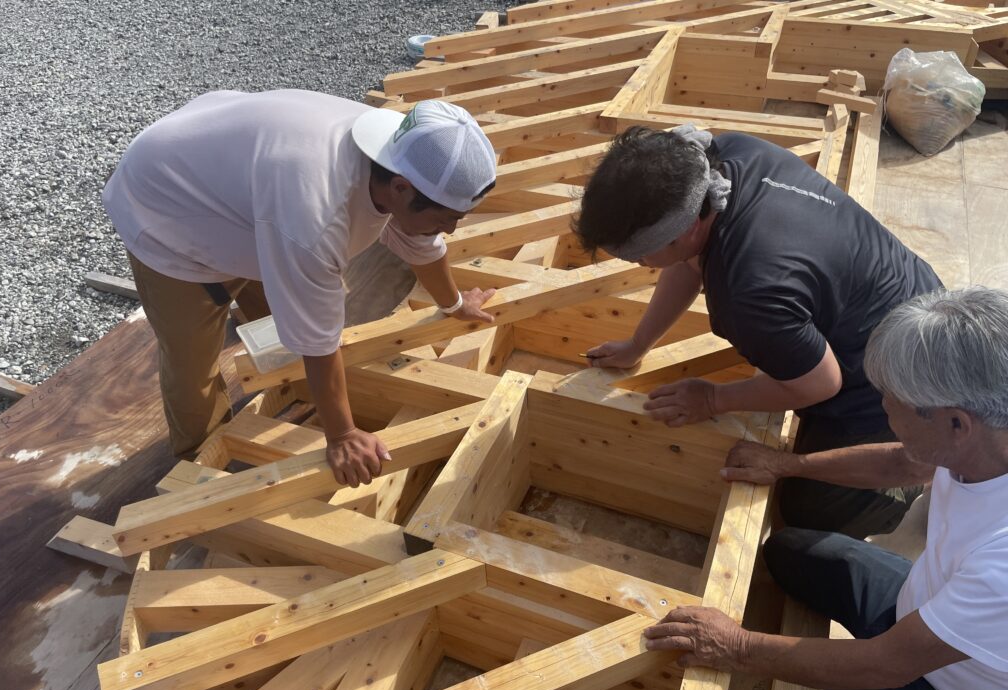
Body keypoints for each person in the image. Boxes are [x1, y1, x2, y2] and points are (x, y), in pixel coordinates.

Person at [646, 287, 1008, 690]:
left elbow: (889, 664)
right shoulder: (980, 441)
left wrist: (736, 645)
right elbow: (901, 463)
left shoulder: (1000, 569)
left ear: (957, 424)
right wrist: (787, 465)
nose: (884, 409)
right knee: (787, 551)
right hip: (926, 605)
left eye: (893, 402)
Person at [103, 91, 499, 486]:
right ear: (400, 188)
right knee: (192, 361)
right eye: (446, 218)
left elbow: (420, 241)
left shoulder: (405, 154)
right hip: (164, 204)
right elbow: (318, 338)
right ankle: (199, 466)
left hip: (235, 178)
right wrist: (343, 435)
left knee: (292, 300)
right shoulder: (315, 220)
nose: (451, 229)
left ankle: (289, 383)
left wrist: (454, 304)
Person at [574, 124, 943, 537]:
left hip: (904, 382)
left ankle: (926, 469)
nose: (639, 265)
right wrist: (637, 344)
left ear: (684, 230)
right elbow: (688, 262)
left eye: (640, 256)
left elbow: (820, 383)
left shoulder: (746, 292)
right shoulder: (721, 158)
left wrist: (713, 398)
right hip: (916, 298)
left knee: (810, 516)